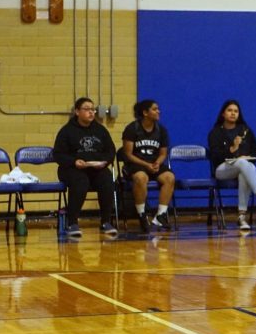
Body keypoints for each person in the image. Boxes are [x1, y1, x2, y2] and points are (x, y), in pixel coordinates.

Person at [53, 97, 118, 237]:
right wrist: (74, 162)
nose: (91, 112)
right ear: (77, 111)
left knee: (107, 180)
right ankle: (72, 222)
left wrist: (104, 162)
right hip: (72, 169)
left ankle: (106, 221)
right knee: (80, 181)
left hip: (96, 168)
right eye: (87, 109)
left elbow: (111, 151)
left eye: (93, 109)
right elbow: (58, 155)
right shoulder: (66, 131)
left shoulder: (100, 130)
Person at [207, 99, 256, 230]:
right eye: (229, 110)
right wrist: (231, 150)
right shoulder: (215, 133)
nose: (233, 113)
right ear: (223, 114)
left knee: (245, 169)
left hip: (243, 167)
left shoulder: (245, 130)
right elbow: (214, 155)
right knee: (243, 164)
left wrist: (247, 158)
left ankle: (242, 217)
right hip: (222, 169)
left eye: (236, 111)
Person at [121, 99, 175, 233]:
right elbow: (128, 154)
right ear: (145, 113)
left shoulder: (161, 130)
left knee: (169, 177)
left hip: (153, 163)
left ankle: (160, 215)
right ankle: (141, 214)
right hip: (136, 163)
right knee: (141, 178)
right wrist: (146, 164)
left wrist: (157, 162)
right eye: (155, 109)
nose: (158, 111)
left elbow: (163, 153)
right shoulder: (132, 128)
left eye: (158, 109)